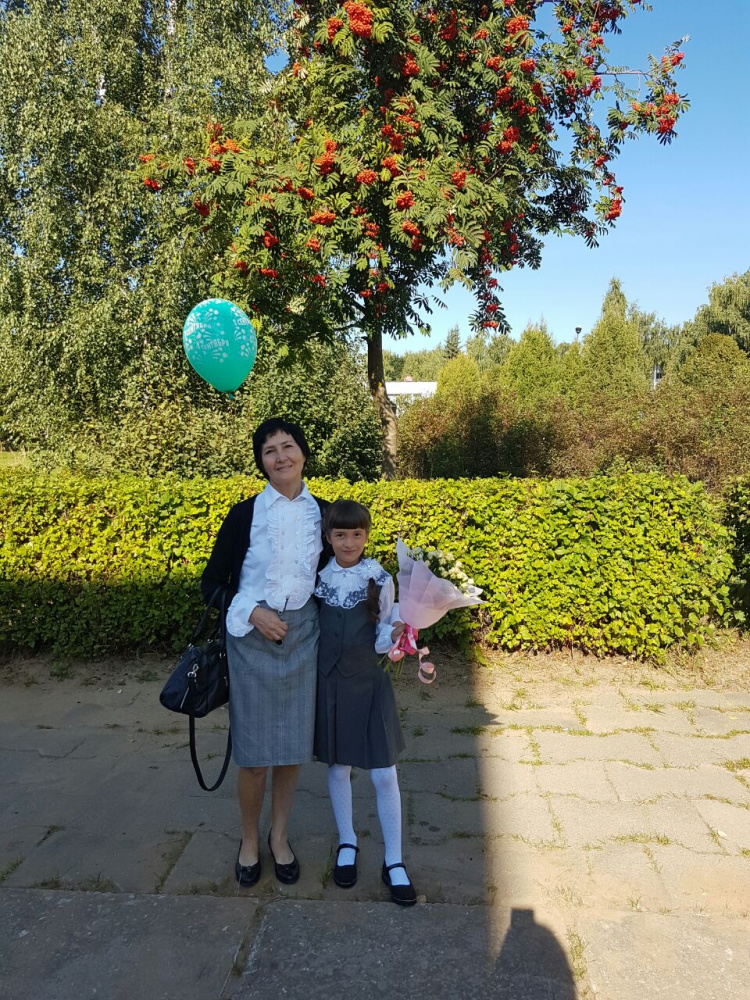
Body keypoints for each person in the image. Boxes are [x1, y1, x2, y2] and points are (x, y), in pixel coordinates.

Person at [201, 418, 330, 887]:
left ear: (303, 453)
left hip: (303, 639)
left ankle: (279, 837)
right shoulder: (244, 515)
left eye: (288, 446)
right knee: (254, 755)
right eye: (269, 450)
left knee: (291, 749)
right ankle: (249, 841)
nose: (280, 457)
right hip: (251, 640)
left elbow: (340, 575)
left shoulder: (326, 514)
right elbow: (211, 584)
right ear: (261, 462)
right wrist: (253, 612)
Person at [314, 499, 417, 906]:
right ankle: (347, 841)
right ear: (328, 537)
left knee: (383, 773)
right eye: (340, 534)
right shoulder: (318, 579)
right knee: (338, 766)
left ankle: (394, 860)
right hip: (331, 684)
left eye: (357, 534)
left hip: (370, 683)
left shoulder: (379, 578)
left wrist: (396, 635)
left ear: (367, 536)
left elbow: (384, 629)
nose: (349, 542)